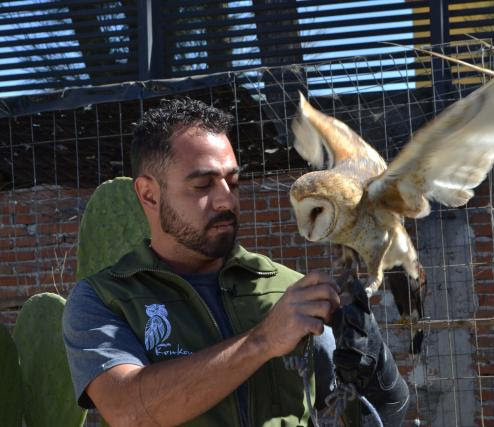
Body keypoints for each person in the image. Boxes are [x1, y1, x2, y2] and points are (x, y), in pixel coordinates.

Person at [62, 97, 409, 426]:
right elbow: (128, 411)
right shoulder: (104, 299)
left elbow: (377, 408)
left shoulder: (289, 290)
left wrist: (377, 373)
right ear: (149, 194)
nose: (226, 201)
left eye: (233, 181)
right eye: (203, 185)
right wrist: (261, 341)